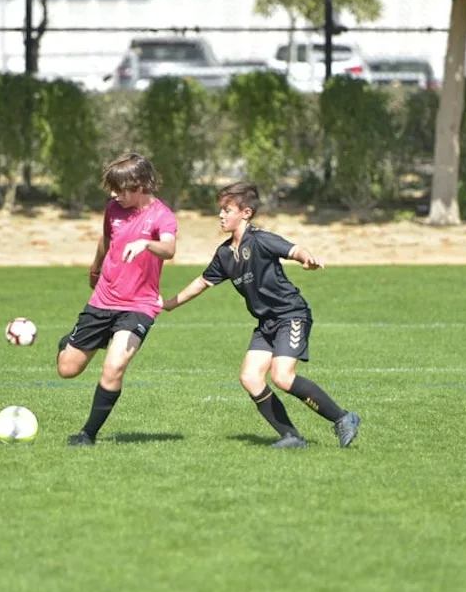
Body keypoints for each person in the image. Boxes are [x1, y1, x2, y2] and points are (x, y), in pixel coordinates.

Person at [162, 182, 361, 449]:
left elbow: (294, 249)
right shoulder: (224, 254)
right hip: (266, 323)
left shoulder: (260, 239)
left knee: (282, 377)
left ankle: (344, 418)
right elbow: (201, 282)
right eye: (220, 210)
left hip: (291, 314)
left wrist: (307, 258)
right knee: (250, 377)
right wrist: (169, 303)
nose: (221, 215)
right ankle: (291, 436)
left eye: (227, 210)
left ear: (245, 213)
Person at [56, 152, 178, 446]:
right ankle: (67, 343)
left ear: (141, 184)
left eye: (120, 188)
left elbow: (170, 249)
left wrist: (147, 243)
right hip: (103, 298)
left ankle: (88, 434)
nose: (113, 194)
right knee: (67, 369)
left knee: (114, 368)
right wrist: (95, 265)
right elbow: (107, 239)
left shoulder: (162, 216)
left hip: (139, 307)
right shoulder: (113, 208)